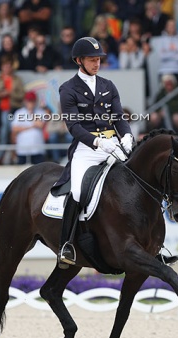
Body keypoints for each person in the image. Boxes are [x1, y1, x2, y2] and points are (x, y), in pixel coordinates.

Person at [53, 37, 134, 266]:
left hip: (113, 146)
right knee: (78, 192)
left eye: (98, 60)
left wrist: (126, 135)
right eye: (92, 60)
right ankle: (66, 245)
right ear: (79, 60)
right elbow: (74, 127)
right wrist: (98, 143)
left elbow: (118, 117)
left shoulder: (108, 86)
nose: (96, 64)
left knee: (137, 181)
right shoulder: (68, 89)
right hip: (87, 149)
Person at [10, 91, 46, 165]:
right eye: (29, 101)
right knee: (22, 172)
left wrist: (31, 113)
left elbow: (40, 125)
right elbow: (14, 128)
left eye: (32, 101)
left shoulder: (41, 112)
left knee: (38, 172)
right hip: (23, 148)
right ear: (25, 101)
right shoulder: (19, 112)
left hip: (37, 148)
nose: (30, 103)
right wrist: (31, 126)